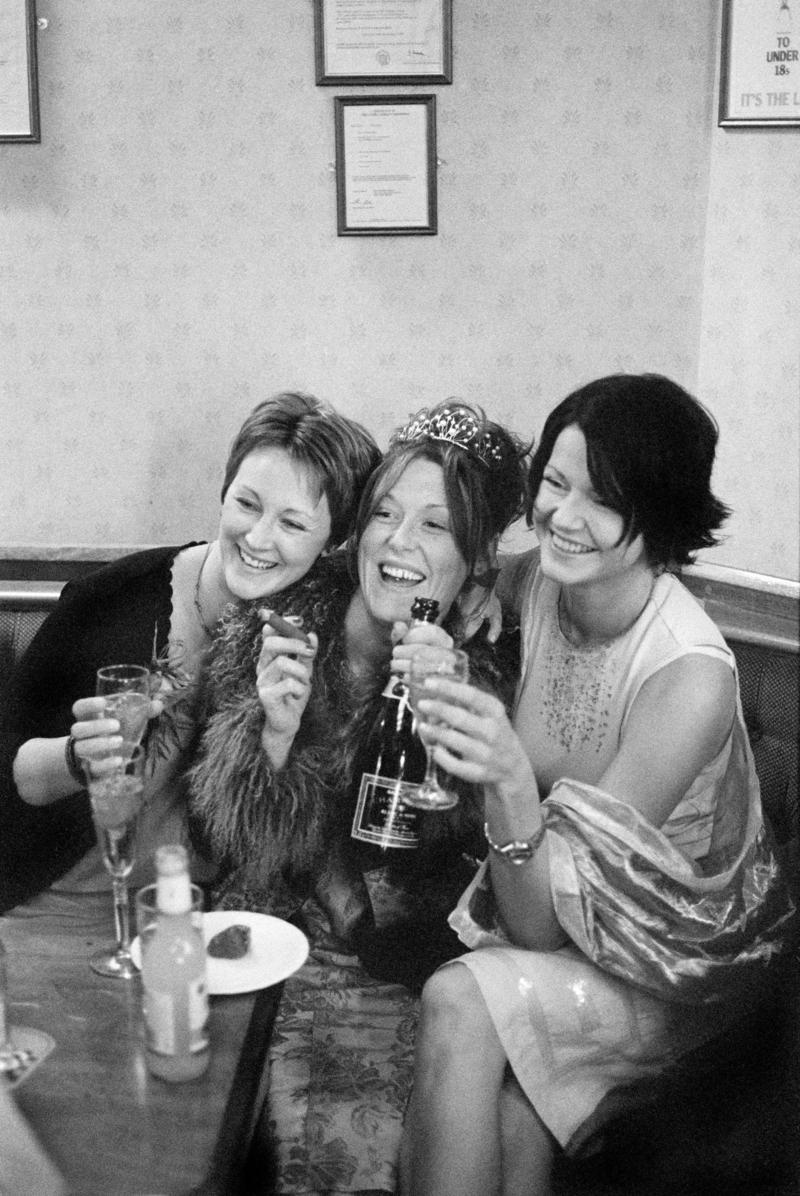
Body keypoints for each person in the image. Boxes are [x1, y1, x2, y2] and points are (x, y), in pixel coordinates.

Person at [398, 374, 796, 1196]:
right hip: (555, 916)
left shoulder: (690, 680)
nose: (562, 518)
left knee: (458, 1002)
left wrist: (508, 776)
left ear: (662, 520)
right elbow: (453, 576)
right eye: (553, 482)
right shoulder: (541, 580)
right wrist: (451, 619)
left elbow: (546, 928)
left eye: (601, 500)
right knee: (511, 1113)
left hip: (674, 964)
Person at [187, 400, 529, 1193]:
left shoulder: (484, 668)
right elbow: (220, 846)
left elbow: (460, 883)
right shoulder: (281, 625)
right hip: (266, 942)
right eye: (385, 512)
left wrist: (455, 745)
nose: (400, 543)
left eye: (437, 527)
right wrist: (272, 742)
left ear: (476, 561)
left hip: (398, 969)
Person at [0, 391, 380, 913]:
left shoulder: (314, 639)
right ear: (224, 494)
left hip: (197, 916)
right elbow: (8, 766)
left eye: (293, 523)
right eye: (247, 504)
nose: (258, 537)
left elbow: (274, 843)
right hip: (49, 901)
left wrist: (279, 733)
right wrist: (76, 756)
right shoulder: (110, 598)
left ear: (333, 543)